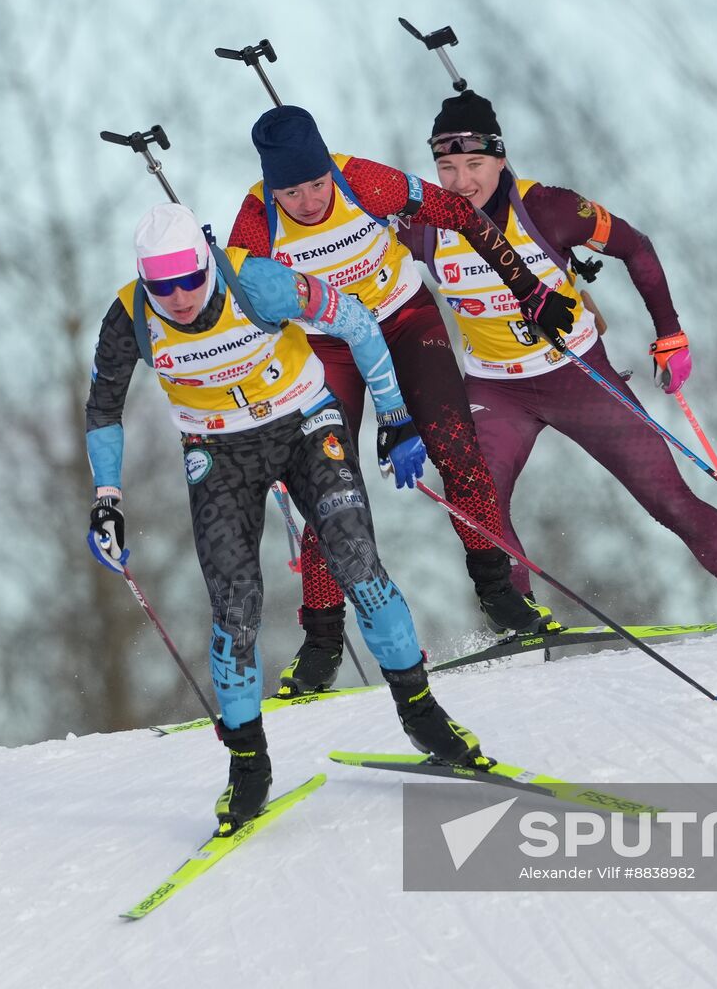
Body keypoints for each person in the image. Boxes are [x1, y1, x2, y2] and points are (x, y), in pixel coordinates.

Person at [85, 203, 489, 833]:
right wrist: (107, 499)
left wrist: (394, 415)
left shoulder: (256, 281)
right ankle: (249, 767)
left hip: (304, 424)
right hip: (216, 451)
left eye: (190, 279)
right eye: (162, 287)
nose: (180, 297)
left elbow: (356, 322)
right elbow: (102, 410)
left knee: (357, 563)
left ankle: (422, 714)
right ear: (144, 281)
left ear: (206, 264)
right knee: (236, 605)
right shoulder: (130, 315)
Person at [405, 91, 717, 629]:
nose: (461, 182)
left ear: (500, 159)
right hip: (495, 386)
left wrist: (670, 334)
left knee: (665, 499)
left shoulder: (547, 207)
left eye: (474, 165)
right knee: (479, 502)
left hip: (577, 374)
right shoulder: (422, 225)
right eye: (447, 167)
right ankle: (522, 621)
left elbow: (636, 247)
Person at [229, 105, 577, 697]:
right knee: (327, 486)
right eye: (293, 192)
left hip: (405, 322)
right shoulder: (256, 221)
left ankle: (500, 595)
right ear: (270, 188)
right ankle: (321, 643)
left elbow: (459, 213)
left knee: (458, 453)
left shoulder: (363, 181)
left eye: (317, 184)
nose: (311, 202)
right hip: (325, 345)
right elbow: (240, 305)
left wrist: (528, 287)